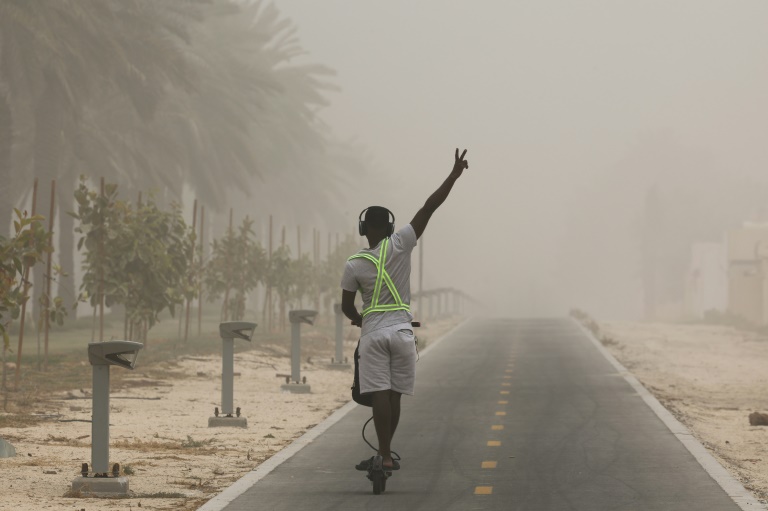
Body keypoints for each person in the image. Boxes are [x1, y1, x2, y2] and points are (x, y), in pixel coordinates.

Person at [340, 148, 470, 472]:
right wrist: (453, 176)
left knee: (378, 392)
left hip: (372, 335)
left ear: (362, 229)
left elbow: (346, 306)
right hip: (402, 332)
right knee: (395, 394)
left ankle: (382, 453)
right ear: (389, 228)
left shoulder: (354, 263)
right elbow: (429, 206)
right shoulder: (402, 243)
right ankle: (386, 453)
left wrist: (359, 319)